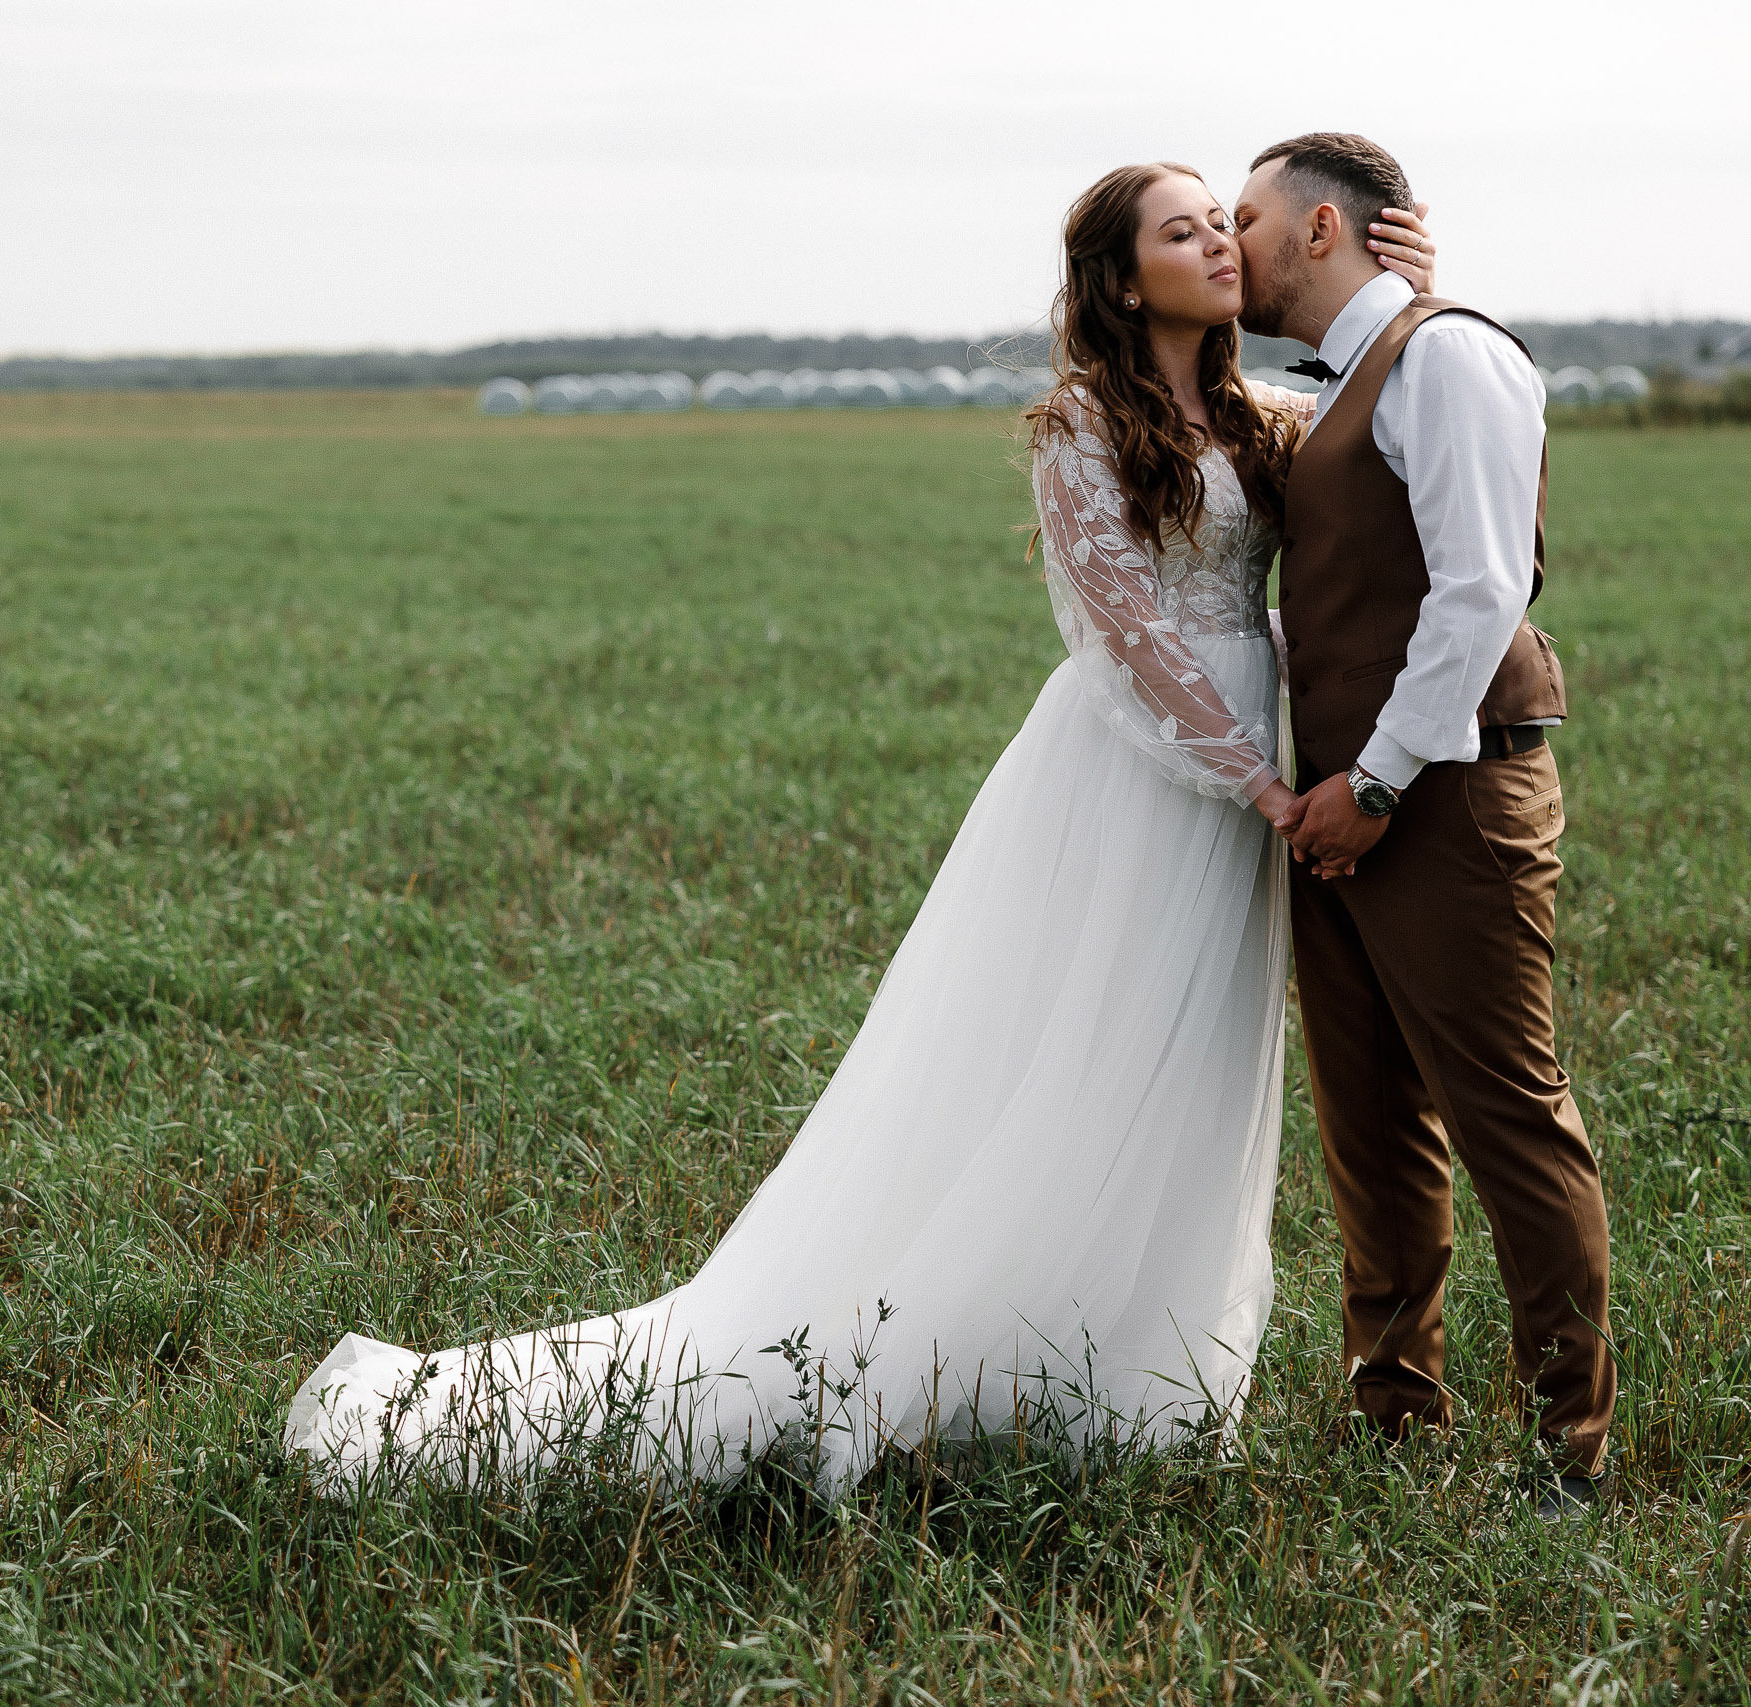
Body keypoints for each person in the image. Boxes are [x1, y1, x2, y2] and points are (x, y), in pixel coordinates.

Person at [282, 165, 1436, 1502]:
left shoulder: (1263, 415)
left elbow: (1399, 414)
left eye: (1222, 226)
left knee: (1187, 1067)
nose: (1221, 247)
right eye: (1184, 232)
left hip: (1248, 774)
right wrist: (1256, 778)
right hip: (1141, 772)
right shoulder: (1080, 422)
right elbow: (1120, 630)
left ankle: (1126, 1372)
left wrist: (1427, 285)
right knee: (1078, 1047)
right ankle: (955, 1355)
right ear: (1124, 280)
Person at [1235, 132, 1615, 1517]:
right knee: (1374, 1123)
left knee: (1508, 1115)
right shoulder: (1343, 376)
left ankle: (1569, 1447)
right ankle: (1396, 1416)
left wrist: (1380, 784)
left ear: (1324, 228)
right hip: (1347, 801)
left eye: (1248, 220)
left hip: (1442, 794)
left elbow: (1479, 592)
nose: (1231, 246)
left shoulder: (1450, 358)